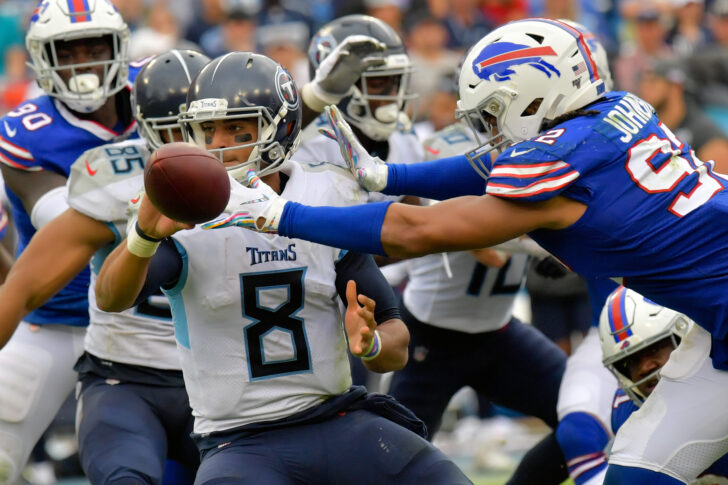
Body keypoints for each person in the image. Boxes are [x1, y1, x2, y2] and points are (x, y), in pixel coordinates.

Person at [212, 18, 728, 484]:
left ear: (532, 98)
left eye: (493, 115)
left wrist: (284, 215)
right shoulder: (617, 113)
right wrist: (389, 174)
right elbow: (487, 169)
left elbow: (418, 230)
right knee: (640, 473)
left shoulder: (558, 171)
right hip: (716, 321)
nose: (487, 132)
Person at [94, 51, 472, 485]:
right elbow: (111, 298)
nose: (219, 144)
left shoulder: (323, 194)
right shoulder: (183, 216)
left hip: (337, 419)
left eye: (237, 128)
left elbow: (396, 344)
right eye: (208, 131)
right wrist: (142, 236)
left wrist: (368, 345)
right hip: (241, 443)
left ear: (281, 129)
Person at [0, 48, 208, 485]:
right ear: (144, 129)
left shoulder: (264, 189)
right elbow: (23, 289)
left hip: (215, 373)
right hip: (119, 367)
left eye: (208, 127)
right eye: (174, 128)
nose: (192, 140)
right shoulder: (115, 185)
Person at [0, 1, 139, 481]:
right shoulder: (26, 131)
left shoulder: (165, 90)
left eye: (94, 47)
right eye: (68, 50)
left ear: (118, 47)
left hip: (149, 325)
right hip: (55, 321)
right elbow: (68, 225)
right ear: (42, 58)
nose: (83, 62)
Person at [599, 286, 728, 483]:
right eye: (631, 360)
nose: (644, 368)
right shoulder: (626, 411)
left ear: (685, 337)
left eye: (655, 348)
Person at [296, 14, 421, 206]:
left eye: (396, 81)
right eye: (378, 83)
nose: (393, 95)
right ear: (338, 84)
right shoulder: (309, 142)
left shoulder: (405, 139)